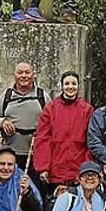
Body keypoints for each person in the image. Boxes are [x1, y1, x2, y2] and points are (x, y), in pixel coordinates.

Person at [34, 71, 94, 200]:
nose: (70, 87)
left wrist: (87, 167)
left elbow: (90, 142)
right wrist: (43, 167)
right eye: (67, 83)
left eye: (74, 83)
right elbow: (43, 139)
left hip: (78, 169)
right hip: (56, 169)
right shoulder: (51, 108)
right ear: (62, 86)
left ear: (78, 86)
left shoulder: (87, 110)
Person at [0, 62, 51, 173]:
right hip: (11, 153)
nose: (23, 76)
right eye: (20, 73)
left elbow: (52, 122)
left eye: (27, 72)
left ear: (33, 74)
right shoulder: (6, 96)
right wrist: (2, 122)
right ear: (14, 75)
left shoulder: (42, 96)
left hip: (36, 153)